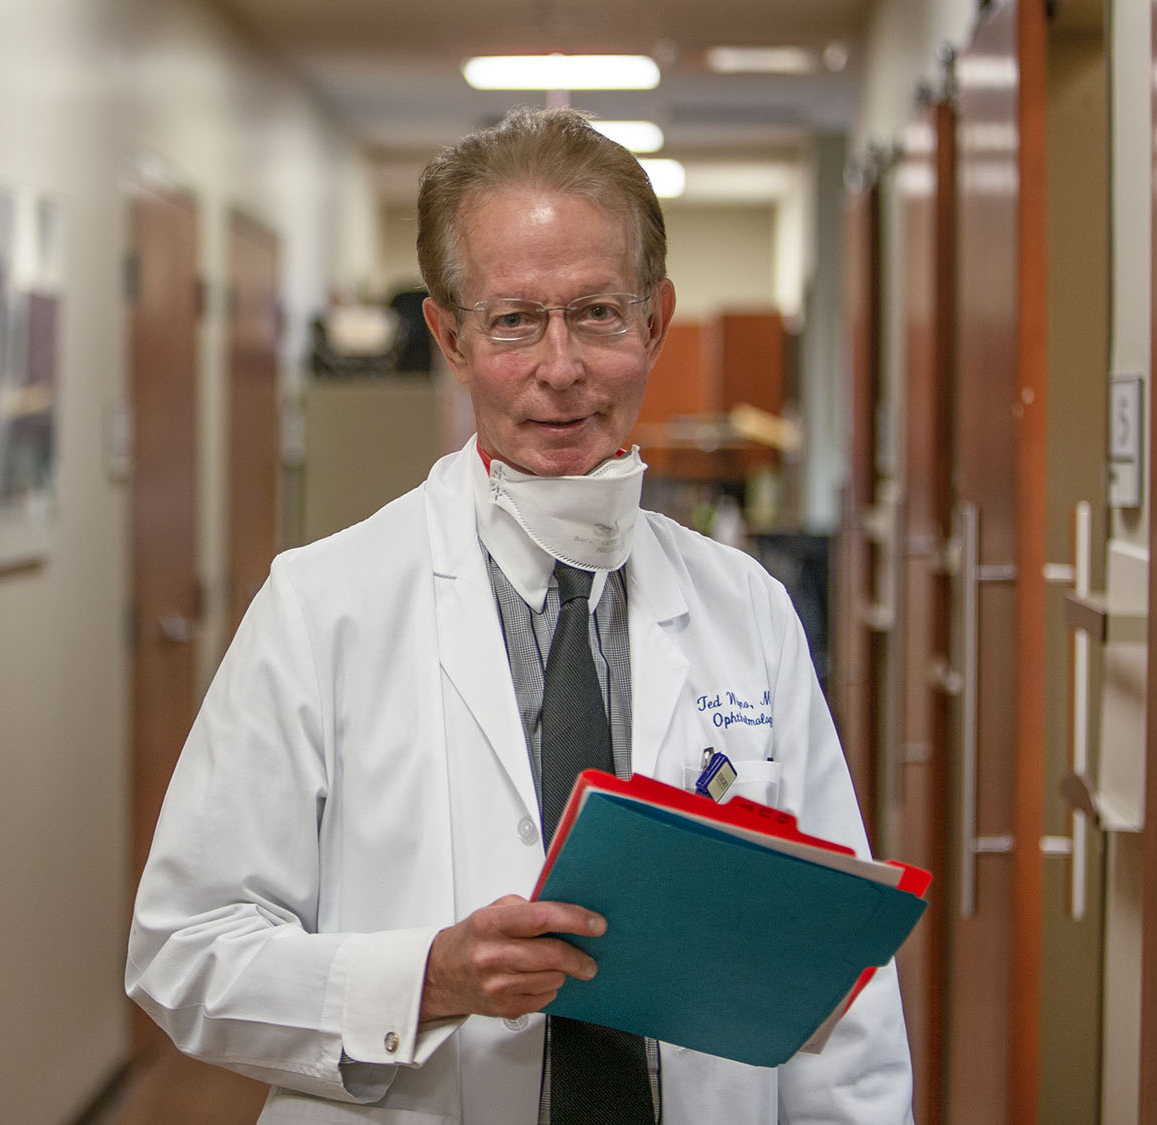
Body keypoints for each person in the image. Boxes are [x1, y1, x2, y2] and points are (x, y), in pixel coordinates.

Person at [125, 106, 913, 1124]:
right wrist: (428, 979)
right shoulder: (325, 606)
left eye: (596, 313)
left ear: (654, 322)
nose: (559, 368)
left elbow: (831, 980)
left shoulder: (743, 610)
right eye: (512, 321)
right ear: (448, 337)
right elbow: (184, 951)